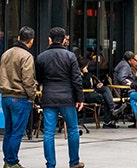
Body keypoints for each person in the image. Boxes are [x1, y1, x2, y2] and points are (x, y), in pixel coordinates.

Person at [35, 26, 85, 168]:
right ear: (64, 40)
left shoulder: (41, 57)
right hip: (67, 98)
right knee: (73, 130)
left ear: (49, 40)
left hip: (49, 97)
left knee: (49, 132)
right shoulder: (70, 56)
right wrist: (79, 98)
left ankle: (51, 164)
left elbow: (39, 78)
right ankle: (74, 162)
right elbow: (77, 79)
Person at [0, 26, 38, 168]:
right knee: (17, 131)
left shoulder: (6, 53)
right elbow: (28, 80)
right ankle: (12, 162)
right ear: (31, 41)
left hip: (5, 96)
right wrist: (32, 96)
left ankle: (8, 160)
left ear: (19, 38)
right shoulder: (26, 56)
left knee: (8, 130)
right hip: (19, 97)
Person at [78, 57, 117, 128]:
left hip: (91, 91)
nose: (87, 67)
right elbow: (85, 85)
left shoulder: (85, 74)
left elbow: (90, 84)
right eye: (86, 65)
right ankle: (108, 119)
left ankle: (112, 109)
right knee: (105, 98)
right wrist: (86, 73)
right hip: (84, 94)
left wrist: (97, 85)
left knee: (105, 88)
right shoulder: (78, 74)